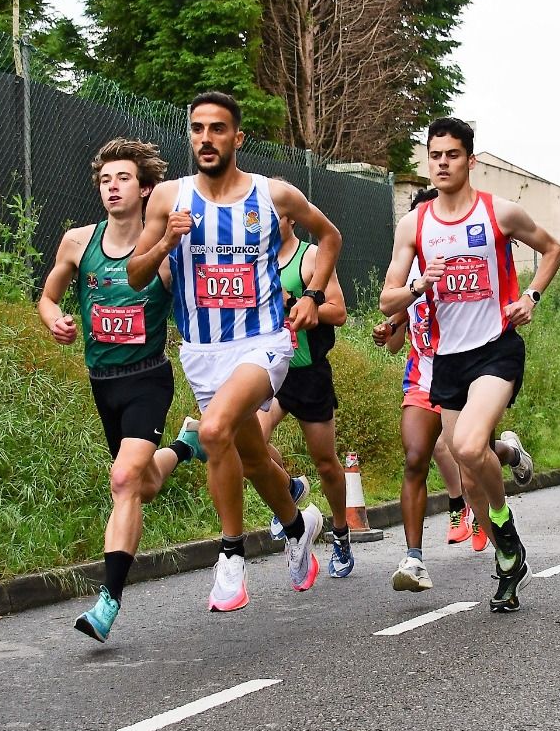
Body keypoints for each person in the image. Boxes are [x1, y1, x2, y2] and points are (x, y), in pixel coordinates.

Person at [127, 91, 341, 612]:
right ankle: (298, 525)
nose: (206, 138)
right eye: (197, 128)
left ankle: (230, 556)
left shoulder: (274, 195)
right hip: (202, 350)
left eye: (217, 129)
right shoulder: (168, 200)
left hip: (263, 342)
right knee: (251, 458)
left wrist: (313, 296)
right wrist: (164, 245)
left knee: (215, 430)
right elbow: (134, 276)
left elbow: (330, 236)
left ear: (237, 138)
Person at [379, 117, 560, 612]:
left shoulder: (499, 212)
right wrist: (419, 284)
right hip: (447, 358)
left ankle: (503, 529)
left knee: (465, 443)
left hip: (496, 347)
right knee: (465, 460)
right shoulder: (413, 225)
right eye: (435, 155)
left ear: (470, 160)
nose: (442, 163)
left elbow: (553, 248)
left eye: (452, 155)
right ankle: (507, 554)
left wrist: (532, 296)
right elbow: (386, 299)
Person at [37, 138, 206, 642]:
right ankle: (184, 446)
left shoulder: (164, 256)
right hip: (101, 382)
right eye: (105, 180)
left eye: (123, 179)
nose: (112, 188)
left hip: (147, 378)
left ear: (147, 189)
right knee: (142, 484)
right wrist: (55, 320)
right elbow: (47, 296)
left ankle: (107, 602)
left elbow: (196, 310)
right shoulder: (77, 242)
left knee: (122, 478)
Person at [375, 187, 522, 592]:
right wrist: (388, 327)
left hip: (469, 369)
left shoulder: (468, 254)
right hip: (423, 376)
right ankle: (415, 558)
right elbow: (393, 337)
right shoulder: (408, 272)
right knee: (416, 457)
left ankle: (507, 461)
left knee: (475, 457)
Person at [255, 209, 354, 577]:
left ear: (291, 220)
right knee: (250, 441)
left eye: (274, 217)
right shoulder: (253, 260)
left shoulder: (310, 257)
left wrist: (294, 303)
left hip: (308, 372)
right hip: (269, 371)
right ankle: (290, 487)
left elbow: (338, 310)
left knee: (326, 463)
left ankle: (341, 533)